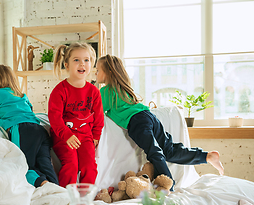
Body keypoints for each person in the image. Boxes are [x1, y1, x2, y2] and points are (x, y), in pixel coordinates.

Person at [96, 54, 224, 191]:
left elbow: (95, 111)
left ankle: (169, 186)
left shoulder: (105, 91)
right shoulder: (123, 88)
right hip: (149, 116)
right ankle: (207, 156)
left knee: (154, 152)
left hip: (137, 122)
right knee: (168, 150)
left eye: (98, 70)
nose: (95, 73)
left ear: (108, 72)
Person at [0, 64, 59, 187]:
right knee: (45, 164)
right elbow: (30, 110)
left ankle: (44, 184)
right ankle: (57, 189)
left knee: (22, 164)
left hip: (22, 130)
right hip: (40, 130)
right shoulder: (21, 95)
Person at [48, 42, 104, 188]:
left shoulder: (94, 92)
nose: (82, 64)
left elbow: (98, 118)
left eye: (86, 60)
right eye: (76, 60)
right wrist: (66, 136)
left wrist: (96, 136)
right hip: (64, 137)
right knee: (71, 165)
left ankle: (85, 200)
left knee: (90, 167)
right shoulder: (60, 91)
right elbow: (55, 118)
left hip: (85, 138)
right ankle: (66, 200)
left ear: (92, 64)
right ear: (66, 65)